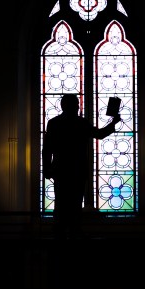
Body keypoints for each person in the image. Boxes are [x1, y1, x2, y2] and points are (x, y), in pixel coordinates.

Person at [42, 94, 120, 240]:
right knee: (75, 203)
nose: (78, 107)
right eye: (76, 104)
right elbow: (100, 134)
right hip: (77, 170)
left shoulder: (54, 123)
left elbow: (47, 149)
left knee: (61, 203)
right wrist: (113, 123)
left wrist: (47, 169)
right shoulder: (81, 123)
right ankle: (74, 231)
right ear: (69, 106)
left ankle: (59, 232)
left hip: (60, 170)